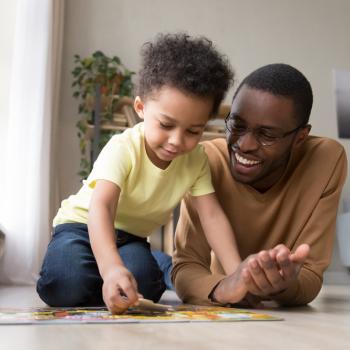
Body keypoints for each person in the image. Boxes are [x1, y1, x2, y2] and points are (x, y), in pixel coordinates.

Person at [37, 33, 242, 314]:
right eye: (166, 125)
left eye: (193, 131)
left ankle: (143, 263)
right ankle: (122, 265)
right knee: (66, 287)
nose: (176, 141)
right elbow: (103, 206)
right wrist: (110, 270)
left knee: (144, 285)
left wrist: (237, 273)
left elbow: (212, 216)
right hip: (82, 226)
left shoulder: (197, 160)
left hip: (131, 237)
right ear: (141, 108)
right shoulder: (123, 147)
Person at [172, 63, 347, 307]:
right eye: (237, 125)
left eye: (267, 135)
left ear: (300, 137)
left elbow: (310, 277)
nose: (244, 144)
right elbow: (185, 268)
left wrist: (284, 283)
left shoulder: (326, 159)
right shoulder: (206, 160)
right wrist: (227, 287)